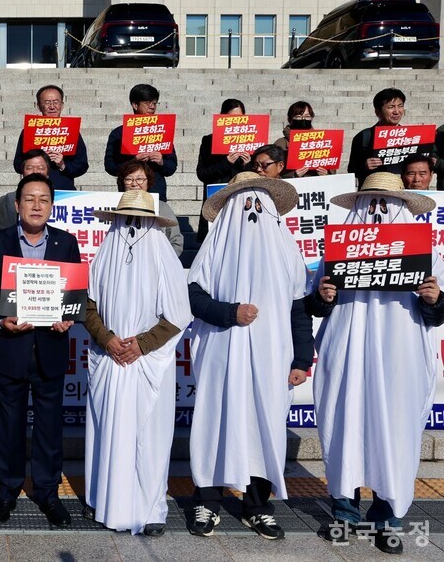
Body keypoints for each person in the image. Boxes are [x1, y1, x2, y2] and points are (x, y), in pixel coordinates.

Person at [306, 172, 444, 555]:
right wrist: (324, 295)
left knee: (394, 431)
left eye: (388, 204)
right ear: (359, 206)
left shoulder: (427, 252)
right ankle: (344, 512)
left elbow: (438, 313)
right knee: (345, 422)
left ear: (402, 209)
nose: (379, 212)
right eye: (372, 203)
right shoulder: (337, 249)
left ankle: (387, 517)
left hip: (400, 353)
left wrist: (434, 299)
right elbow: (312, 305)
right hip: (346, 349)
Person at [187, 172, 313, 540]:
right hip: (222, 355)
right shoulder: (214, 248)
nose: (253, 211)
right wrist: (230, 313)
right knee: (216, 421)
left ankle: (257, 506)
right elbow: (193, 298)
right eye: (244, 203)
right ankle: (207, 501)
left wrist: (301, 360)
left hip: (273, 357)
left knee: (265, 423)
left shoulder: (288, 253)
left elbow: (299, 310)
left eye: (260, 203)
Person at [0, 173, 81, 528]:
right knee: (10, 426)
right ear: (16, 205)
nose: (37, 205)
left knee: (50, 428)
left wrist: (68, 318)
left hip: (50, 349)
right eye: (30, 199)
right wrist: (2, 321)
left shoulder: (66, 243)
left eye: (44, 199)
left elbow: (73, 295)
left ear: (52, 205)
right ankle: (7, 492)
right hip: (11, 348)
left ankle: (48, 493)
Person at [82, 190, 192, 535]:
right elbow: (88, 307)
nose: (131, 228)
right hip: (110, 357)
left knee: (150, 437)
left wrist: (140, 345)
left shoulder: (164, 258)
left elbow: (177, 316)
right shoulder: (103, 255)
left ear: (154, 224)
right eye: (125, 219)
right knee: (107, 430)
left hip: (147, 362)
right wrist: (108, 339)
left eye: (140, 221)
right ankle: (104, 501)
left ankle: (151, 510)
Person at [104, 84, 177, 202]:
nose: (152, 107)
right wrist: (133, 161)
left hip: (156, 193)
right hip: (129, 194)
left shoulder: (161, 131)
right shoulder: (119, 134)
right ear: (135, 105)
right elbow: (110, 166)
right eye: (147, 103)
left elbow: (172, 167)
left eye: (154, 103)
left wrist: (161, 161)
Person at [12, 85, 89, 190]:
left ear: (62, 105)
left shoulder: (71, 131)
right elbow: (17, 165)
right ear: (39, 106)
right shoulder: (28, 132)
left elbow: (82, 165)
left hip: (64, 191)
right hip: (34, 190)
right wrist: (36, 162)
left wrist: (62, 164)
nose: (52, 106)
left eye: (56, 102)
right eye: (47, 103)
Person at [195, 98, 250, 242]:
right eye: (231, 118)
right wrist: (226, 162)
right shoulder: (208, 141)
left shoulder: (250, 141)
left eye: (240, 119)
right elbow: (202, 173)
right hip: (216, 199)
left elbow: (258, 176)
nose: (235, 123)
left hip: (240, 200)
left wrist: (247, 165)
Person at [117, 160, 183, 256]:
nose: (134, 184)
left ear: (148, 181)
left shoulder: (161, 207)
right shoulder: (115, 207)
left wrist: (164, 261)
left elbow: (176, 241)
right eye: (128, 179)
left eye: (140, 179)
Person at [348, 88, 407, 186]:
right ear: (378, 112)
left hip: (401, 192)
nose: (397, 111)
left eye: (400, 106)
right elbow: (352, 170)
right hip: (372, 193)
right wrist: (365, 165)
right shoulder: (363, 136)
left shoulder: (411, 136)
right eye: (391, 107)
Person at [0, 150, 49, 234]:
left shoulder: (63, 200)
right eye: (29, 168)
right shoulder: (7, 201)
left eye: (40, 168)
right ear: (22, 172)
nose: (35, 171)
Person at [273, 101, 333, 178]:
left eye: (307, 116)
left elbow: (332, 170)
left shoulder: (321, 142)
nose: (303, 119)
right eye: (298, 116)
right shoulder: (280, 143)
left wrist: (326, 174)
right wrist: (293, 175)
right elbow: (273, 172)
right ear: (290, 119)